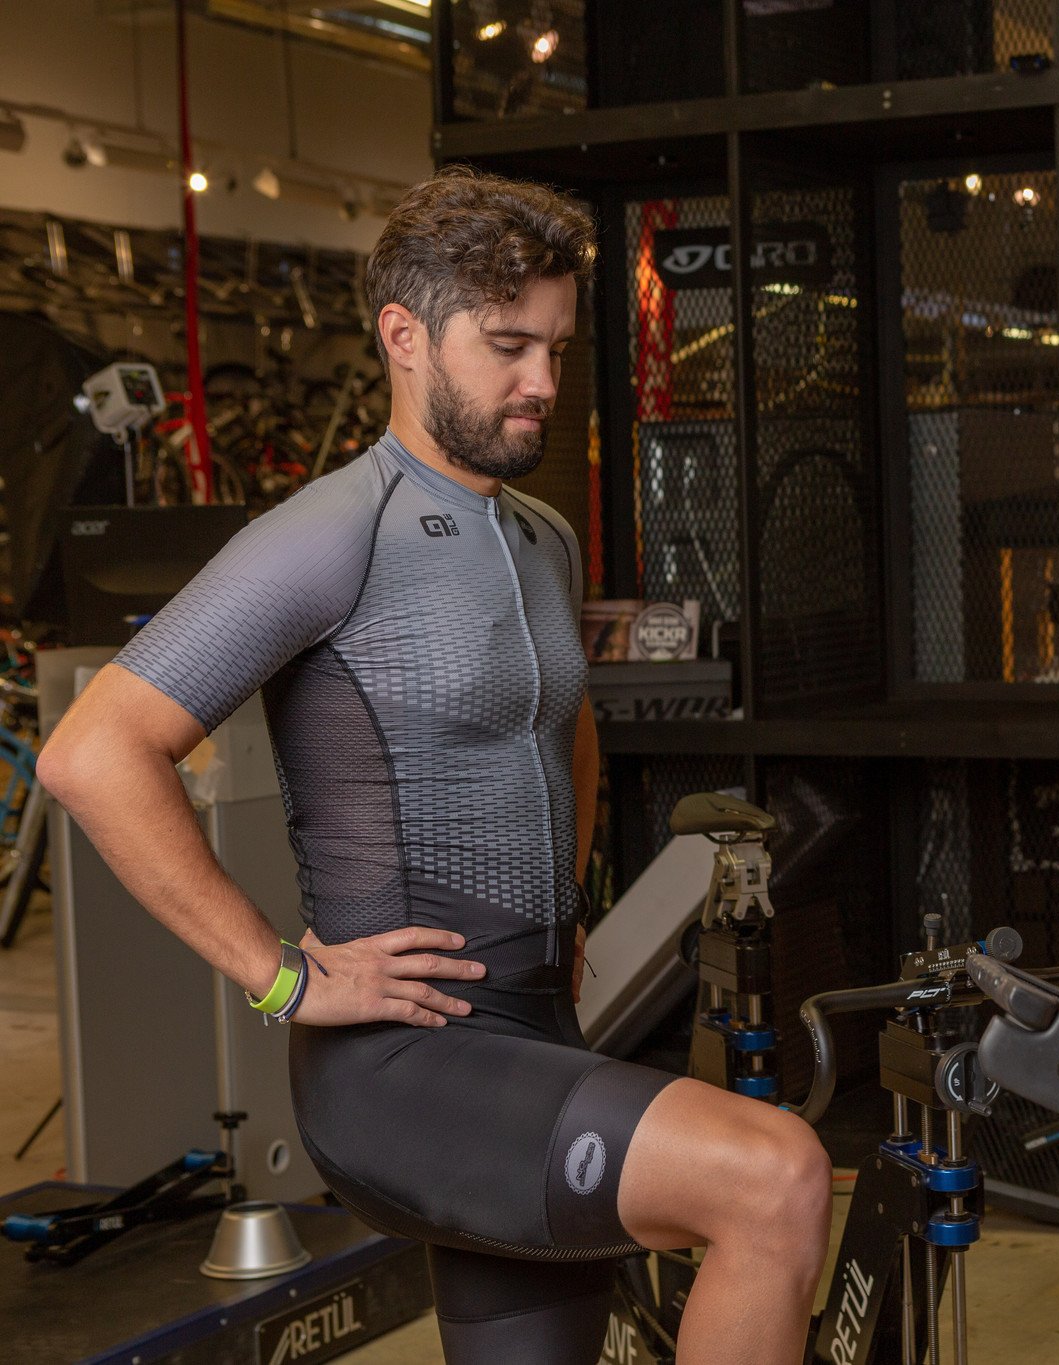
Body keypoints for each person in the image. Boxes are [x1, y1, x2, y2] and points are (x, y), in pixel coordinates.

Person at [37, 167, 832, 1365]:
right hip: (403, 1064)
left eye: (558, 347)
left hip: (533, 1024)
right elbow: (91, 754)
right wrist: (279, 979)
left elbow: (561, 721)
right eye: (509, 345)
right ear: (403, 336)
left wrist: (559, 903)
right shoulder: (327, 533)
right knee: (771, 1179)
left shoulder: (540, 537)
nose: (544, 383)